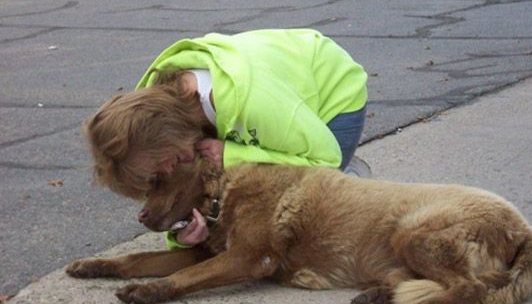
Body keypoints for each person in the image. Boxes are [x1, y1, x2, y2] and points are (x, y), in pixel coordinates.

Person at [85, 28, 368, 248]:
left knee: (298, 218)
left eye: (164, 165)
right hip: (274, 113)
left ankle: (350, 175)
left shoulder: (252, 101)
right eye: (158, 176)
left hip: (331, 99)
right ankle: (284, 143)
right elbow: (181, 191)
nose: (169, 173)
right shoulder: (155, 115)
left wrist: (232, 154)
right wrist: (181, 235)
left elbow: (325, 159)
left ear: (164, 135)